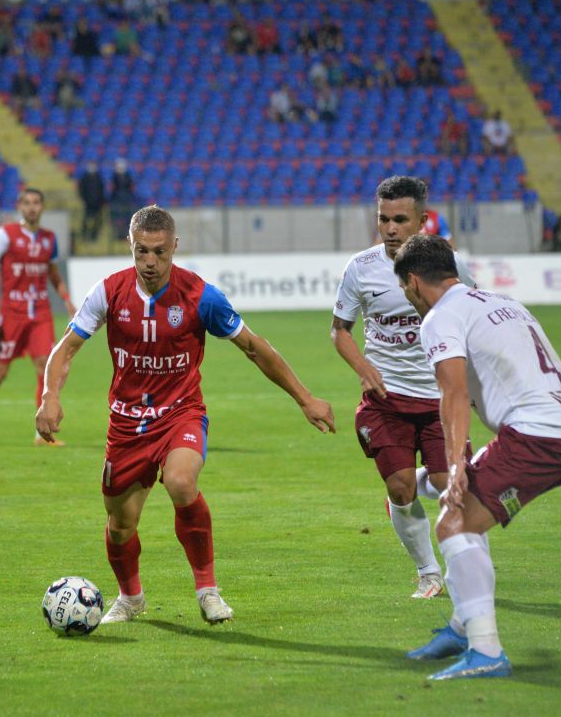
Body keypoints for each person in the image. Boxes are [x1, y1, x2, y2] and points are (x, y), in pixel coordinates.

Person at [36, 205, 336, 625]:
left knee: (180, 481)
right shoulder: (108, 292)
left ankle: (208, 590)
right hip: (126, 424)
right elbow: (65, 348)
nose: (150, 262)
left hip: (181, 414)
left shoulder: (201, 296)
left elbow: (254, 347)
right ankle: (131, 598)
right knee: (120, 525)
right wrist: (50, 395)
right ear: (130, 246)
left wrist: (304, 398)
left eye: (159, 252)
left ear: (175, 246)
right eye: (141, 251)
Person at [394, 235, 561, 680]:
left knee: (454, 522)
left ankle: (486, 651)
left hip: (536, 436)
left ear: (413, 282)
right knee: (458, 508)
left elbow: (453, 394)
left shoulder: (441, 317)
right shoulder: (505, 303)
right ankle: (462, 627)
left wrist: (456, 465)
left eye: (404, 289)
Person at [331, 177, 475, 600]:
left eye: (400, 220)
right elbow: (339, 330)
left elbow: (475, 318)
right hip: (386, 400)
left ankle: (420, 478)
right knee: (399, 488)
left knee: (451, 486)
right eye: (383, 219)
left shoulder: (448, 264)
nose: (390, 229)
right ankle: (429, 573)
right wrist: (363, 367)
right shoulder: (361, 267)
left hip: (439, 399)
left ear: (421, 220)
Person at [0, 188, 74, 447]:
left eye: (36, 202)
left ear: (42, 207)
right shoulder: (7, 234)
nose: (32, 207)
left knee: (46, 368)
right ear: (20, 207)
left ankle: (42, 434)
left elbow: (53, 272)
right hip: (12, 314)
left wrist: (66, 298)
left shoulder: (49, 239)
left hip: (40, 313)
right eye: (27, 203)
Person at [77, 162, 106, 243]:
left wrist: (101, 201)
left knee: (98, 220)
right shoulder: (85, 178)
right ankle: (84, 235)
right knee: (86, 220)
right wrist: (85, 199)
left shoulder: (98, 177)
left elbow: (101, 190)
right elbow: (81, 190)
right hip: (88, 203)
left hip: (97, 204)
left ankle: (94, 235)